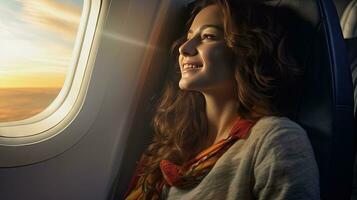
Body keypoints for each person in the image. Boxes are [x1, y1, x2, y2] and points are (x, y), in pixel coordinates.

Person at [124, 0, 320, 199]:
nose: (184, 48)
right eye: (189, 37)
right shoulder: (179, 144)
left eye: (208, 36)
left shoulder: (277, 139)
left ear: (246, 50)